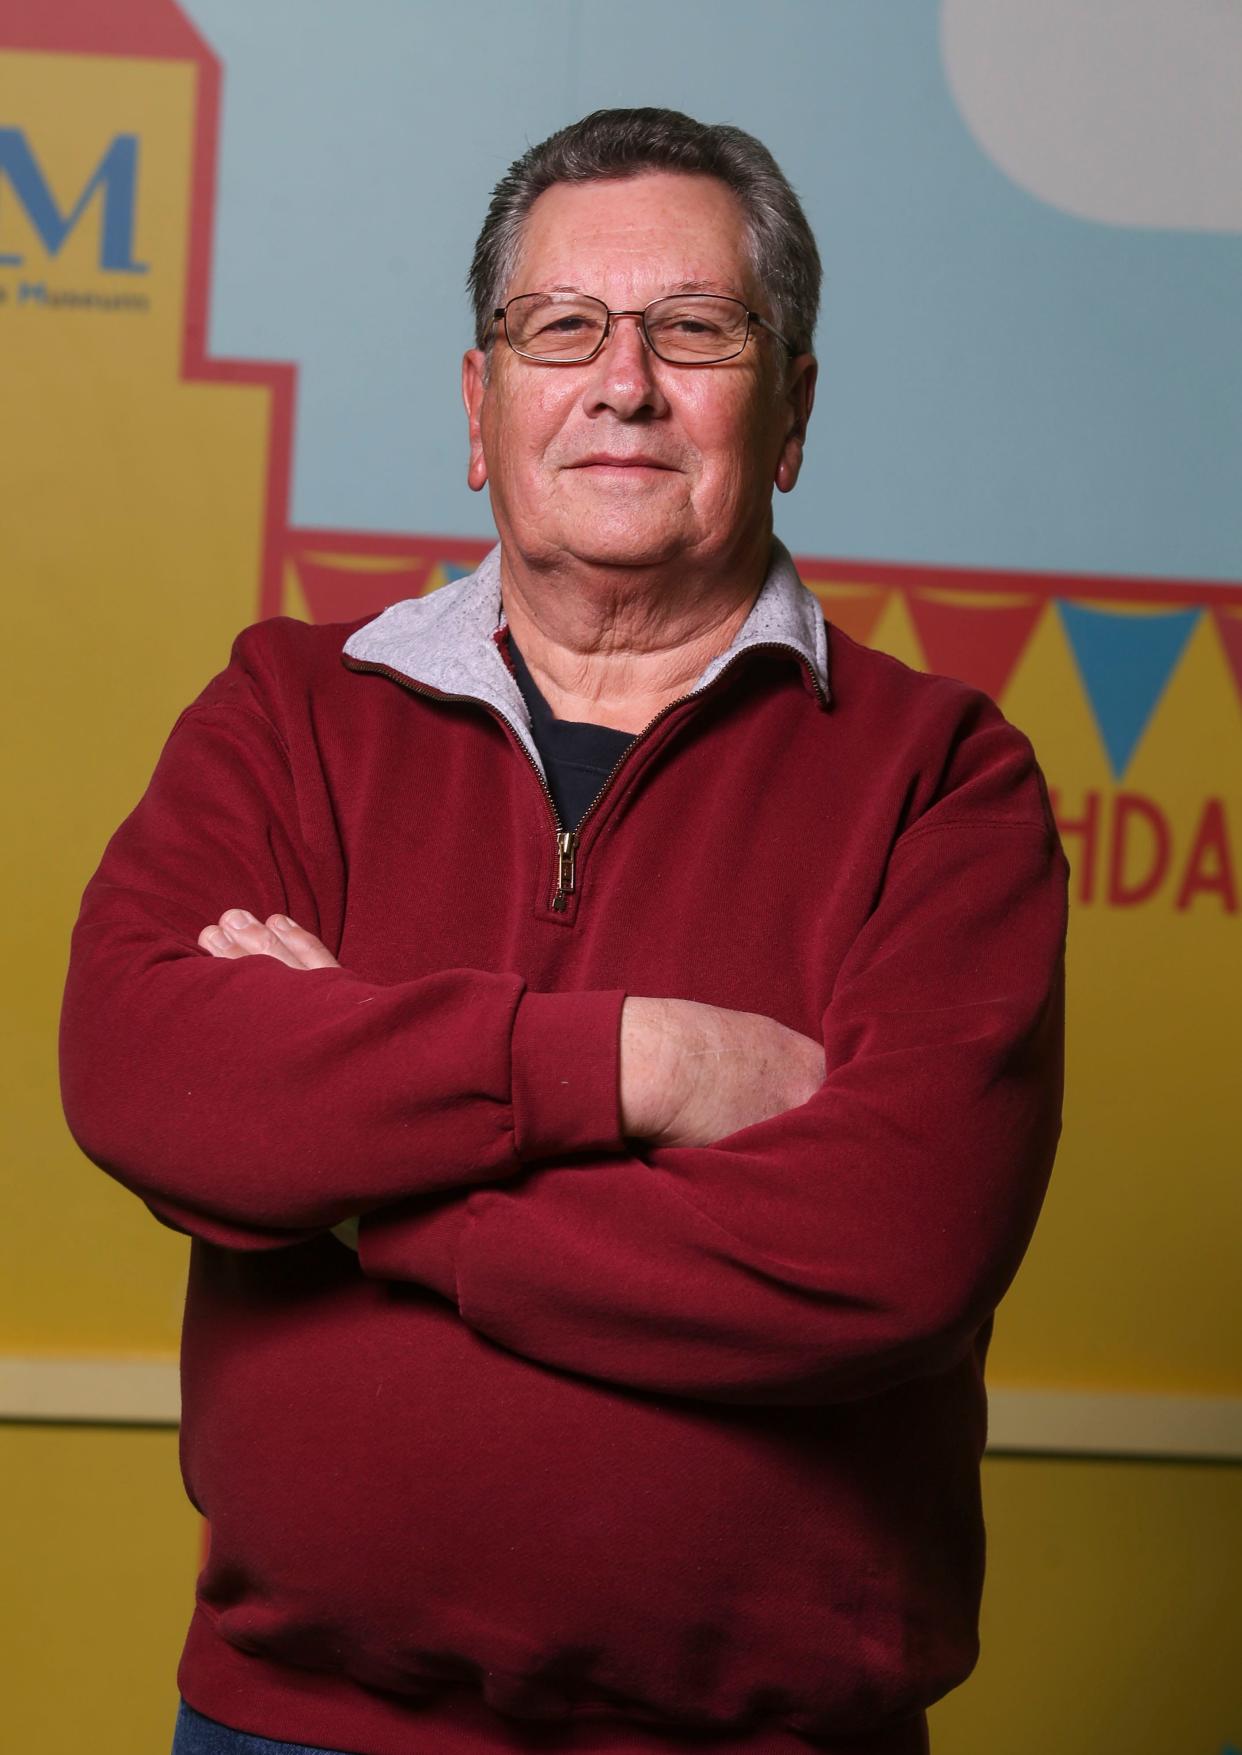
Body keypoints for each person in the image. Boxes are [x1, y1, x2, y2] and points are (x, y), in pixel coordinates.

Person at [60, 108, 1068, 1755]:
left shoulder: (941, 775)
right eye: (561, 330)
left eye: (694, 330)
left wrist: (363, 1199)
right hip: (292, 1729)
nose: (624, 383)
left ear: (791, 408)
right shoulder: (288, 710)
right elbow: (147, 1074)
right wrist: (639, 1062)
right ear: (482, 406)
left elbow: (886, 1250)